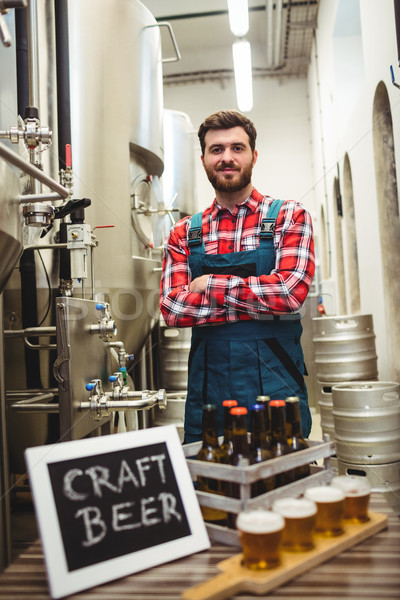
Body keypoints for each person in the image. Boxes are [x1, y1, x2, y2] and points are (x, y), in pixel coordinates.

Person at [160, 110, 315, 443]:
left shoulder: (290, 216)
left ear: (253, 156)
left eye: (237, 148)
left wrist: (208, 286)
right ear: (203, 159)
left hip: (276, 386)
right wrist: (258, 299)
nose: (226, 157)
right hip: (209, 390)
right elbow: (172, 309)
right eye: (216, 149)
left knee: (283, 478)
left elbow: (289, 294)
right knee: (210, 483)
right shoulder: (184, 232)